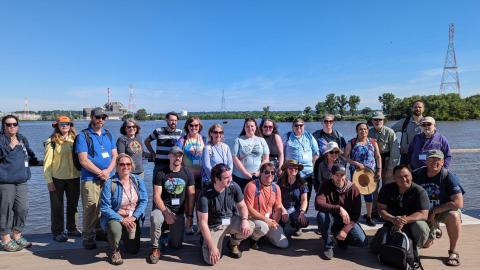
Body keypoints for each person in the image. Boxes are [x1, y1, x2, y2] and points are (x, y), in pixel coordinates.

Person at [413, 149, 464, 267]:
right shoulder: (416, 175)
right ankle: (434, 230)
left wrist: (435, 211)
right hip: (423, 211)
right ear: (426, 161)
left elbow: (458, 203)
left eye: (438, 160)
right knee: (426, 244)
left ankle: (453, 251)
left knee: (454, 216)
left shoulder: (448, 177)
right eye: (431, 160)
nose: (434, 162)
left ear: (442, 162)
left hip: (441, 210)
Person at [76, 107, 118, 249]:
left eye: (103, 117)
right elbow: (83, 160)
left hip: (108, 177)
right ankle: (88, 237)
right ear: (92, 117)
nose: (101, 120)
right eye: (98, 117)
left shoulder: (108, 135)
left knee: (106, 206)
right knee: (91, 208)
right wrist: (101, 172)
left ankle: (99, 231)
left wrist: (108, 171)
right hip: (90, 178)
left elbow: (115, 156)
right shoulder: (83, 135)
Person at [197, 164, 254, 265]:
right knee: (211, 261)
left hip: (230, 220)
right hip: (215, 226)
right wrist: (212, 247)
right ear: (216, 179)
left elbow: (242, 206)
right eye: (226, 178)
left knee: (250, 227)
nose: (230, 179)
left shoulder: (233, 186)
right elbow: (203, 223)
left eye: (230, 176)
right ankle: (205, 240)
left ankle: (232, 244)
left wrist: (244, 220)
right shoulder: (205, 194)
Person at [149, 146, 195, 264]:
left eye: (179, 155)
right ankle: (155, 248)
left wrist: (189, 217)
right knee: (155, 217)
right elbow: (156, 196)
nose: (177, 158)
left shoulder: (187, 173)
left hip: (178, 212)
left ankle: (165, 234)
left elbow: (191, 195)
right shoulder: (161, 173)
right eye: (174, 155)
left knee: (176, 246)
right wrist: (166, 213)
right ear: (169, 156)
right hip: (162, 208)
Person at [371, 164, 430, 255]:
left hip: (412, 223)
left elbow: (424, 214)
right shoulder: (386, 189)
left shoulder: (420, 191)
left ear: (411, 175)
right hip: (392, 222)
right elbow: (381, 209)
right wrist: (392, 219)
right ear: (394, 178)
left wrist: (404, 220)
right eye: (400, 177)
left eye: (406, 176)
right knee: (374, 249)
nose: (404, 179)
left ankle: (414, 249)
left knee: (421, 227)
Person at [100, 154, 147, 265]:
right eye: (122, 164)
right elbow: (105, 207)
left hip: (132, 218)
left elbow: (144, 201)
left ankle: (121, 236)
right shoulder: (109, 183)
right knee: (115, 229)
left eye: (128, 164)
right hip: (116, 217)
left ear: (131, 166)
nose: (125, 166)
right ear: (117, 166)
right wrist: (122, 220)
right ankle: (114, 250)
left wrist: (134, 217)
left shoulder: (138, 181)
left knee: (133, 250)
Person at [0, 115, 39, 252]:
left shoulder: (22, 138)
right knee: (5, 211)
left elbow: (28, 154)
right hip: (5, 182)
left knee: (23, 209)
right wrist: (10, 146)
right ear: (3, 126)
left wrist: (37, 161)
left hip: (21, 181)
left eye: (14, 124)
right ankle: (5, 239)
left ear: (18, 125)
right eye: (8, 124)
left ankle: (17, 235)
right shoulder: (1, 140)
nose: (11, 127)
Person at [315, 164, 367, 260]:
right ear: (332, 175)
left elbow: (356, 215)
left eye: (342, 175)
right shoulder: (325, 185)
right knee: (321, 215)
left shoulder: (353, 189)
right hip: (331, 219)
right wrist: (339, 208)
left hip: (347, 221)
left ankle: (341, 238)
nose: (339, 178)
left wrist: (345, 230)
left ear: (346, 175)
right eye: (336, 175)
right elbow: (318, 203)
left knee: (362, 242)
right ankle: (328, 246)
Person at [43, 116, 81, 242]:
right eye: (62, 124)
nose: (64, 126)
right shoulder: (51, 141)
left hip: (74, 178)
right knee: (56, 207)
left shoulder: (77, 139)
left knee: (73, 205)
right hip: (56, 179)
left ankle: (72, 228)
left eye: (67, 123)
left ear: (71, 125)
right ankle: (58, 232)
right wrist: (49, 181)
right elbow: (47, 163)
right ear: (57, 126)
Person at [344, 122, 382, 226]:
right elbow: (345, 157)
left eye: (365, 129)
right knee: (355, 195)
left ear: (368, 131)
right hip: (356, 173)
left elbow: (378, 157)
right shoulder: (351, 142)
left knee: (368, 194)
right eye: (360, 129)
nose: (363, 131)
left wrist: (379, 170)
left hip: (370, 173)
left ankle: (369, 217)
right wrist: (355, 163)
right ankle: (354, 217)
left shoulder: (373, 142)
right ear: (357, 131)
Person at [244, 162, 288, 249]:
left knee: (284, 244)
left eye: (272, 172)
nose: (270, 174)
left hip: (269, 219)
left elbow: (278, 207)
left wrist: (274, 222)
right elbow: (249, 209)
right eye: (266, 172)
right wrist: (265, 220)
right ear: (261, 173)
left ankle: (264, 235)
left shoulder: (276, 188)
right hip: (254, 218)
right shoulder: (252, 186)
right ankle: (253, 239)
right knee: (263, 227)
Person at [283, 118, 319, 204]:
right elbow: (281, 152)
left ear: (304, 126)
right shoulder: (287, 136)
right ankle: (292, 214)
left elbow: (316, 153)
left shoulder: (309, 136)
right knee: (292, 196)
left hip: (307, 173)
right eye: (296, 125)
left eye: (301, 125)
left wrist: (315, 169)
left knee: (306, 195)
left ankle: (303, 214)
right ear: (292, 127)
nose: (299, 127)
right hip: (291, 172)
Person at [232, 118, 269, 191]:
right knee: (241, 200)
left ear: (255, 127)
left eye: (252, 126)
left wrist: (259, 172)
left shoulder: (261, 140)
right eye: (247, 126)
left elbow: (266, 158)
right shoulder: (238, 140)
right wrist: (246, 174)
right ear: (244, 128)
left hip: (257, 177)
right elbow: (234, 158)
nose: (250, 128)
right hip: (240, 177)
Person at [144, 111, 183, 180]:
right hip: (160, 165)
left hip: (174, 165)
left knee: (173, 187)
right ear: (166, 120)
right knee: (157, 186)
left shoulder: (180, 133)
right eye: (171, 120)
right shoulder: (158, 131)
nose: (173, 122)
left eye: (175, 120)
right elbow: (147, 141)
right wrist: (153, 153)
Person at [278, 160, 309, 236]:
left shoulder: (302, 183)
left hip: (296, 210)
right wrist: (283, 211)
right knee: (278, 227)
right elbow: (277, 200)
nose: (293, 169)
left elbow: (304, 200)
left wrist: (302, 213)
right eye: (290, 168)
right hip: (282, 209)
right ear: (286, 169)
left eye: (296, 168)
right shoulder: (280, 182)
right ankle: (284, 224)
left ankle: (296, 226)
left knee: (303, 222)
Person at [368, 111, 399, 184]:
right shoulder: (368, 132)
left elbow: (395, 151)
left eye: (380, 119)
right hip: (373, 162)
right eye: (375, 119)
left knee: (387, 185)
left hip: (387, 162)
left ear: (383, 121)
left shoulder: (390, 132)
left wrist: (391, 168)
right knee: (373, 185)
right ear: (372, 121)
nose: (378, 121)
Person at [391, 100, 425, 165]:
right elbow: (390, 132)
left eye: (420, 107)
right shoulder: (404, 121)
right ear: (412, 108)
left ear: (423, 109)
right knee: (404, 174)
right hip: (406, 154)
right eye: (415, 107)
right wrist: (397, 146)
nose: (417, 109)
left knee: (422, 173)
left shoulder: (427, 122)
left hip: (422, 155)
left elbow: (433, 137)